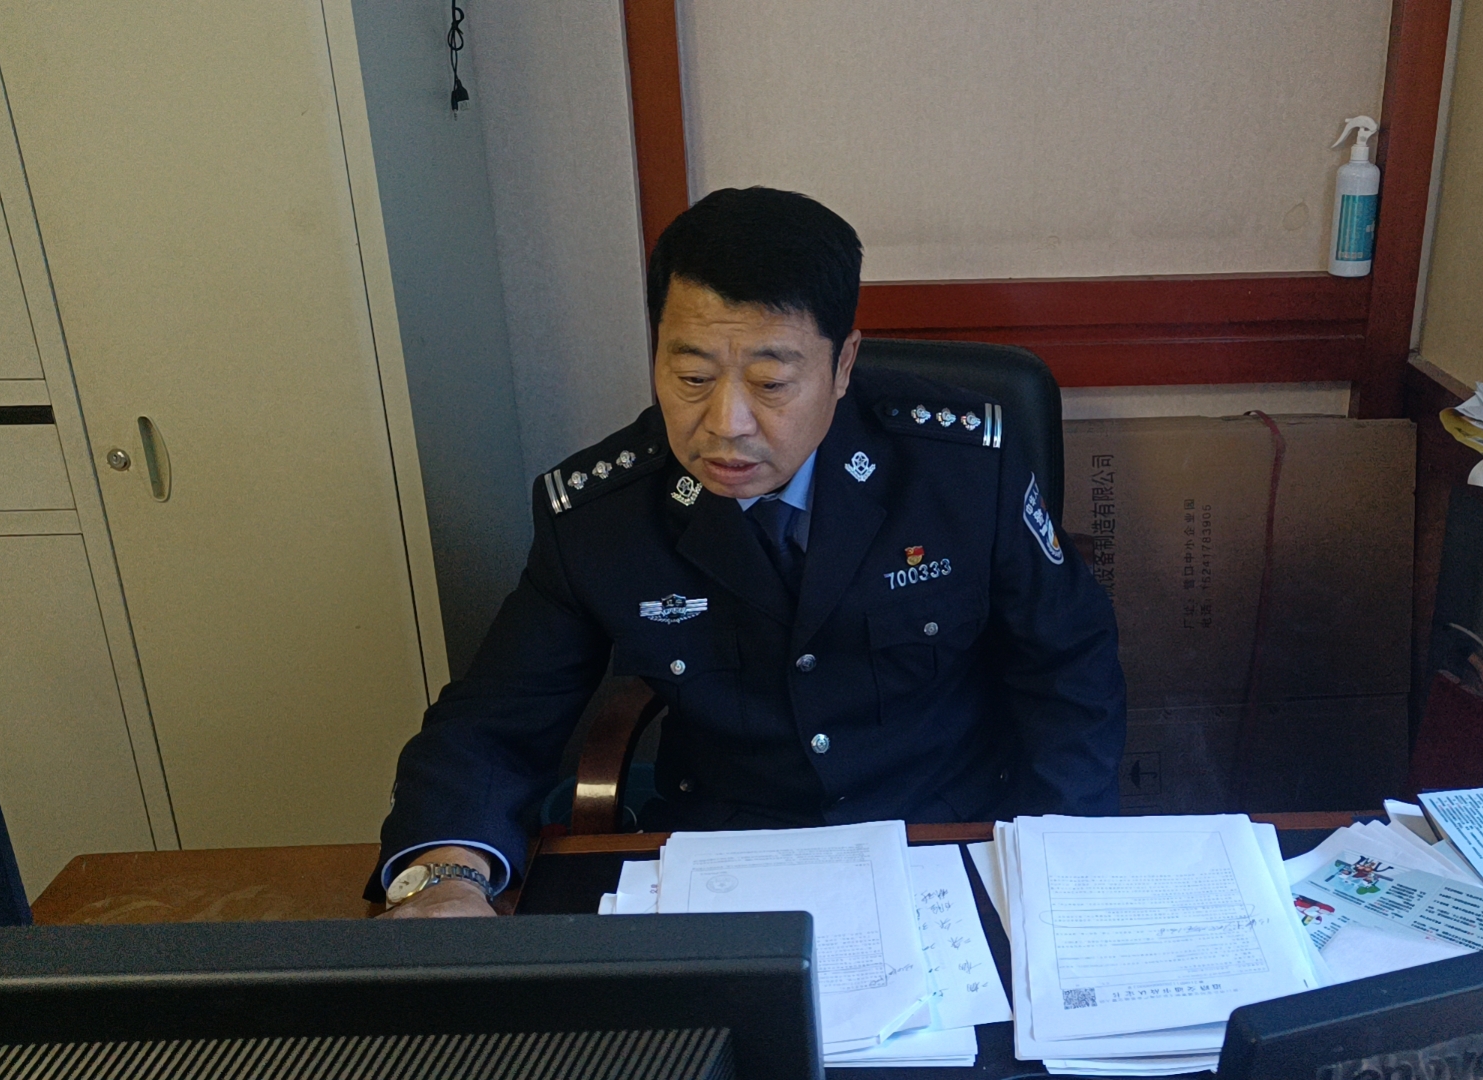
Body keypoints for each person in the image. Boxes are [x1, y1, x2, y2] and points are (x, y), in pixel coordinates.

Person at [373, 187, 1125, 917]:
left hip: (939, 840)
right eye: (692, 377)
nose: (726, 423)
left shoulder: (961, 470)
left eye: (771, 383)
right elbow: (494, 721)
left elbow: (1070, 664)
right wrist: (446, 878)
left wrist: (1056, 855)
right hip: (725, 863)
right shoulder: (601, 515)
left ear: (843, 365)